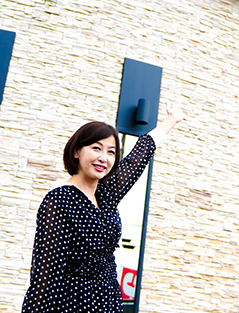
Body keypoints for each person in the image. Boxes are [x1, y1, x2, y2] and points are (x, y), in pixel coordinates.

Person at [22, 103, 186, 313]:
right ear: (76, 152)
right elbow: (44, 273)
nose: (103, 158)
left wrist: (171, 120)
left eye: (111, 152)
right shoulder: (59, 199)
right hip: (72, 304)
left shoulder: (105, 195)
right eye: (96, 148)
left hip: (108, 302)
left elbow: (138, 157)